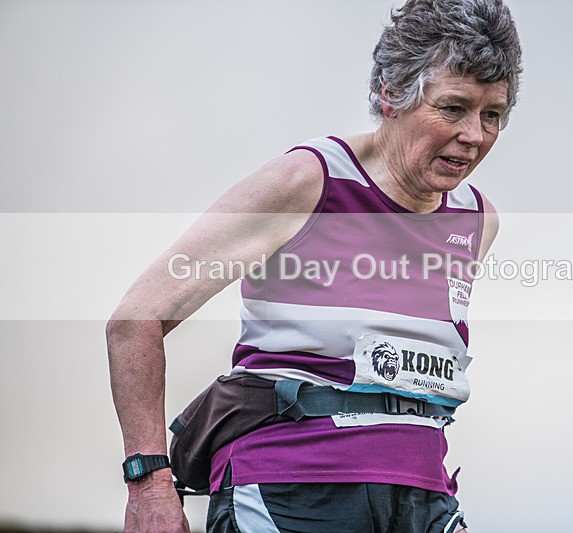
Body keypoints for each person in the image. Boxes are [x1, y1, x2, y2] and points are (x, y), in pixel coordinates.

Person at [107, 0, 522, 531]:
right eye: (453, 108)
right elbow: (134, 320)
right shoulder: (307, 180)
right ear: (391, 94)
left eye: (492, 115)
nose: (475, 135)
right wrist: (149, 485)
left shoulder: (477, 219)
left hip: (421, 497)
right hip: (290, 488)